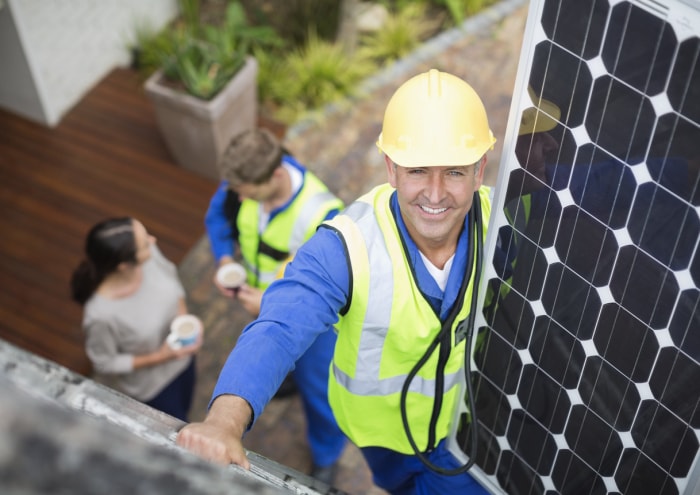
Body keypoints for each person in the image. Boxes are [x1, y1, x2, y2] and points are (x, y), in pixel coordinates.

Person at [178, 69, 495, 495]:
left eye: (455, 172)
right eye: (418, 170)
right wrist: (223, 422)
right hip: (383, 436)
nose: (435, 194)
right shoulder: (345, 246)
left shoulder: (506, 223)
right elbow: (279, 328)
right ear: (391, 169)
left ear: (480, 171)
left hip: (467, 428)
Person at [203, 128, 347, 483]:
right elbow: (218, 216)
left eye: (244, 192)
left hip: (315, 328)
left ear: (276, 175)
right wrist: (223, 259)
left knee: (321, 393)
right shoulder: (245, 181)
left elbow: (327, 289)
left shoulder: (323, 215)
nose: (237, 196)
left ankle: (327, 455)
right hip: (261, 303)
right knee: (278, 361)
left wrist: (268, 304)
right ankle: (287, 377)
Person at [70, 217, 202, 422]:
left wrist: (184, 320)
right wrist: (161, 356)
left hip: (183, 359)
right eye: (145, 243)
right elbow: (105, 363)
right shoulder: (100, 315)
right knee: (177, 426)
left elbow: (171, 276)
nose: (153, 240)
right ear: (123, 265)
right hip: (154, 388)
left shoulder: (149, 256)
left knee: (187, 403)